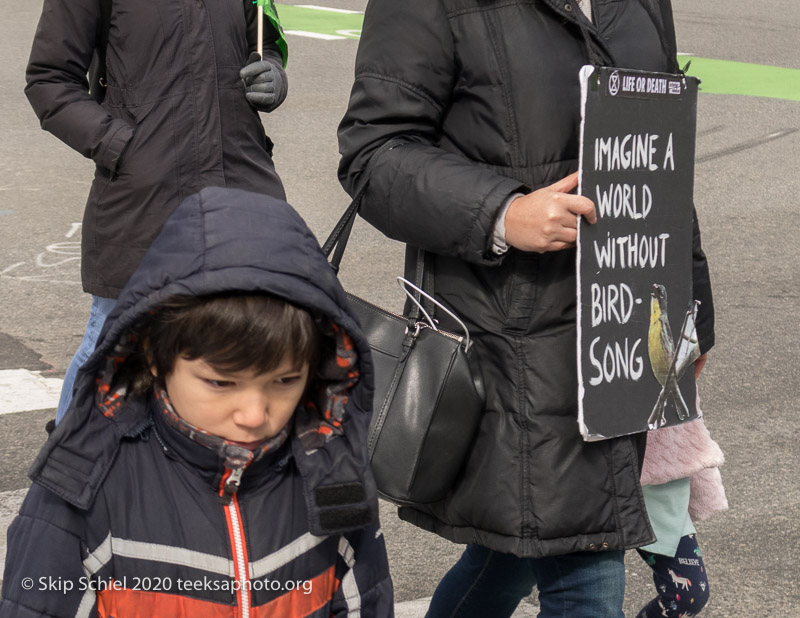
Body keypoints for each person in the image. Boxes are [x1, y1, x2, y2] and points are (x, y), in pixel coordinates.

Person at [337, 0, 715, 616]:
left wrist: (690, 311)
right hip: (509, 337)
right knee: (585, 568)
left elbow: (661, 158)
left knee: (520, 552)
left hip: (624, 333)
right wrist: (501, 212)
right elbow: (374, 154)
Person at [0, 187, 394, 617]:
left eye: (285, 380)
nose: (254, 415)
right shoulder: (83, 488)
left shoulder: (330, 473)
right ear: (154, 357)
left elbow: (364, 600)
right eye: (221, 383)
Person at [25, 0, 289, 423]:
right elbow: (49, 81)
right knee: (116, 338)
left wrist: (272, 73)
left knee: (248, 337)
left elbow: (265, 41)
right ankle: (67, 476)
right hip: (143, 191)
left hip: (239, 177)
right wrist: (121, 146)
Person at [636, 380, 728, 618]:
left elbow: (696, 352)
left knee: (688, 594)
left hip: (660, 458)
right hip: (587, 455)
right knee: (531, 570)